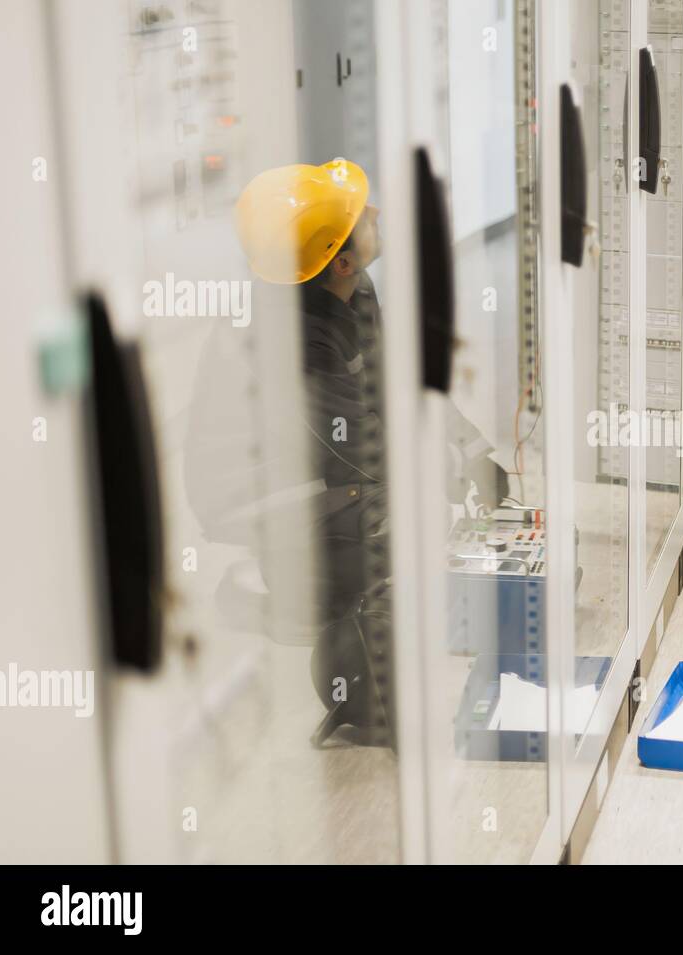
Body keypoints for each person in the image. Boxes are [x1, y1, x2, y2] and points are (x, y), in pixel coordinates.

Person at [187, 159, 505, 744]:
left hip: (302, 465)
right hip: (255, 495)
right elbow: (356, 449)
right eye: (361, 216)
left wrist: (469, 448)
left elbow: (398, 383)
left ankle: (323, 581)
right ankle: (302, 601)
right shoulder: (293, 334)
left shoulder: (351, 288)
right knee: (395, 507)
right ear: (341, 258)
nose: (376, 212)